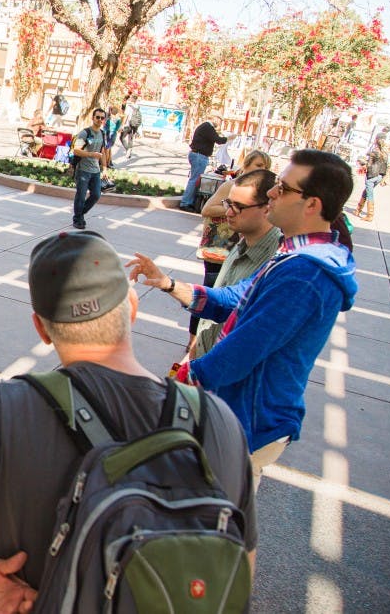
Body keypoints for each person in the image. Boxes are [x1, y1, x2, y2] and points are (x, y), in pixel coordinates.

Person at [0, 232, 257, 610]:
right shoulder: (217, 420)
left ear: (42, 330)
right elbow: (239, 570)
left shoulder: (3, 412)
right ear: (132, 309)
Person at [127, 149, 358, 488]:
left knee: (214, 523)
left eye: (283, 187)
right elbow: (236, 300)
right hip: (241, 412)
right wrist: (170, 284)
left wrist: (182, 381)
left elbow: (244, 349)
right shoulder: (295, 256)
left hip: (249, 417)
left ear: (313, 204)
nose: (273, 194)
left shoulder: (305, 272)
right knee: (222, 520)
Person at [187, 150, 272, 351]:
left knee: (220, 298)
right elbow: (207, 210)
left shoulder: (271, 248)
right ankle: (193, 339)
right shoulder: (230, 187)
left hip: (236, 248)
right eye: (258, 165)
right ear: (246, 165)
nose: (262, 171)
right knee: (211, 293)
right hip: (219, 248)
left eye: (265, 167)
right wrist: (236, 210)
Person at [180, 112, 230, 211]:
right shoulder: (207, 127)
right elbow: (218, 140)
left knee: (195, 179)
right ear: (215, 118)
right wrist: (228, 138)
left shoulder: (206, 127)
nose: (220, 123)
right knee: (194, 180)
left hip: (198, 155)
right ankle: (185, 203)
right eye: (220, 120)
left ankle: (189, 201)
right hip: (199, 156)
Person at [70, 107, 107, 230]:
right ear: (93, 118)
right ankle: (78, 219)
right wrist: (92, 154)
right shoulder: (85, 133)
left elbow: (103, 152)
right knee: (81, 195)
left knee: (96, 194)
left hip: (95, 171)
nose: (99, 120)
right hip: (83, 170)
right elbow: (76, 150)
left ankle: (80, 213)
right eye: (97, 117)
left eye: (102, 118)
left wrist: (105, 168)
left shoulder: (102, 133)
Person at [355, 126, 390, 222]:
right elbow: (388, 165)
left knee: (370, 194)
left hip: (372, 176)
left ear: (376, 140)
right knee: (366, 191)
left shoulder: (374, 151)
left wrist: (363, 163)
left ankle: (370, 215)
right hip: (380, 176)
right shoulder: (386, 152)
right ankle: (358, 210)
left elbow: (369, 164)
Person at [102, 104, 122, 169]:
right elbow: (118, 129)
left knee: (106, 150)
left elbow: (104, 126)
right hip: (113, 135)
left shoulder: (108, 118)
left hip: (107, 134)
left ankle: (106, 164)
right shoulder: (119, 119)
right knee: (109, 149)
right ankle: (109, 162)